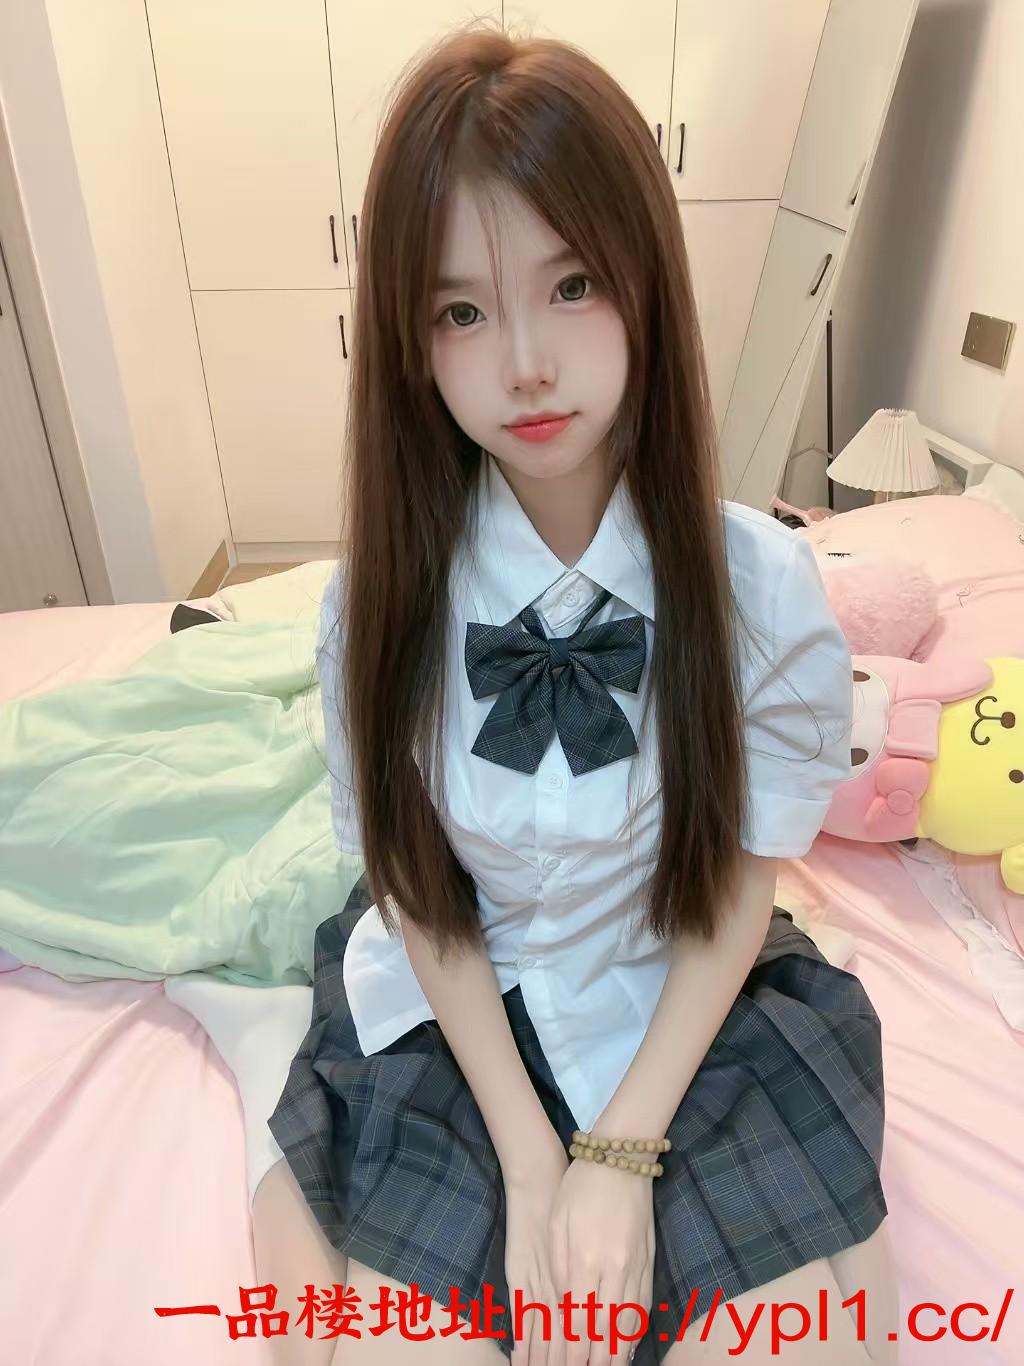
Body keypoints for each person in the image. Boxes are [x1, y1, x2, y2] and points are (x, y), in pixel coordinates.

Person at [259, 21, 899, 1366]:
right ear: (409, 340)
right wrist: (534, 1162)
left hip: (684, 998)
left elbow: (740, 881)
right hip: (462, 1014)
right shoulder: (373, 609)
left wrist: (618, 1150)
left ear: (644, 282)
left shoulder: (757, 585)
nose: (525, 364)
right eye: (462, 311)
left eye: (571, 285)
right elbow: (422, 899)